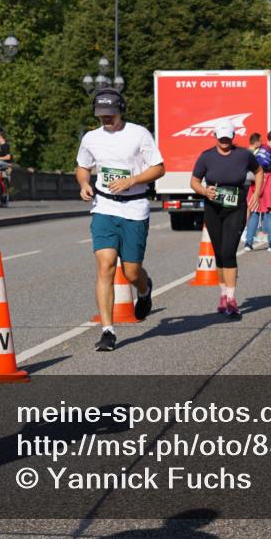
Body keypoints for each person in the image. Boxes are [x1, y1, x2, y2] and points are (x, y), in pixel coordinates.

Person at [76, 87, 165, 352]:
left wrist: (132, 180)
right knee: (105, 266)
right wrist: (83, 183)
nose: (106, 118)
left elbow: (160, 168)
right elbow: (82, 166)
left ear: (121, 111)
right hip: (103, 206)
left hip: (134, 207)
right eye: (101, 114)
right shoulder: (91, 138)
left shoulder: (139, 134)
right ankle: (107, 330)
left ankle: (145, 288)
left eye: (110, 114)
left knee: (131, 272)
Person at [191, 121, 263, 317]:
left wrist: (256, 194)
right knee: (219, 254)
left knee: (229, 251)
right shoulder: (206, 157)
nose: (224, 142)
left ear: (233, 137)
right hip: (213, 209)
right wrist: (205, 191)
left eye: (227, 138)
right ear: (215, 137)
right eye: (221, 138)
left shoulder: (243, 155)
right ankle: (223, 295)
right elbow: (194, 181)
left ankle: (231, 299)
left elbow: (259, 171)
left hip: (235, 208)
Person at [244, 132, 271, 252]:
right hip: (270, 181)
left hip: (256, 182)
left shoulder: (255, 151)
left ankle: (248, 243)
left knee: (254, 211)